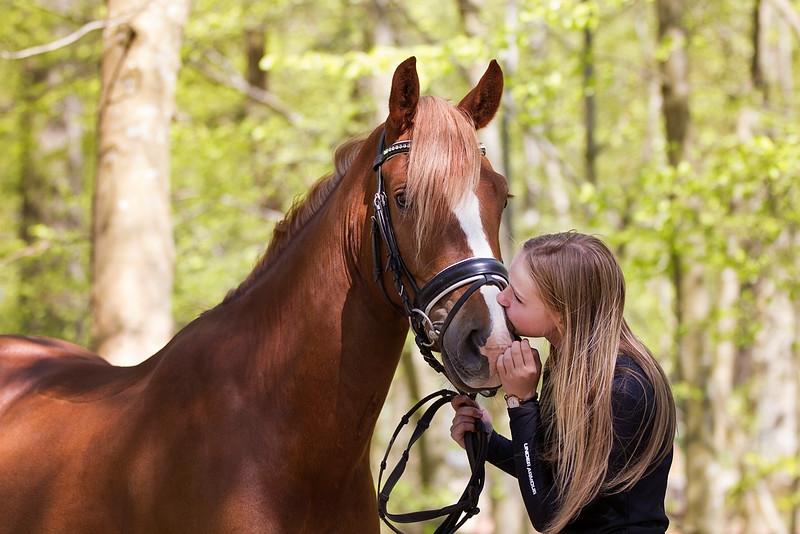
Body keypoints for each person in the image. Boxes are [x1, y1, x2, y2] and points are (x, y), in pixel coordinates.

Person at [450, 232, 676, 533]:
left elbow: (550, 515)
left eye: (517, 297)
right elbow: (553, 477)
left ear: (562, 314)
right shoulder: (569, 366)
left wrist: (521, 403)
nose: (502, 299)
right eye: (507, 286)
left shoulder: (621, 390)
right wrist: (487, 442)